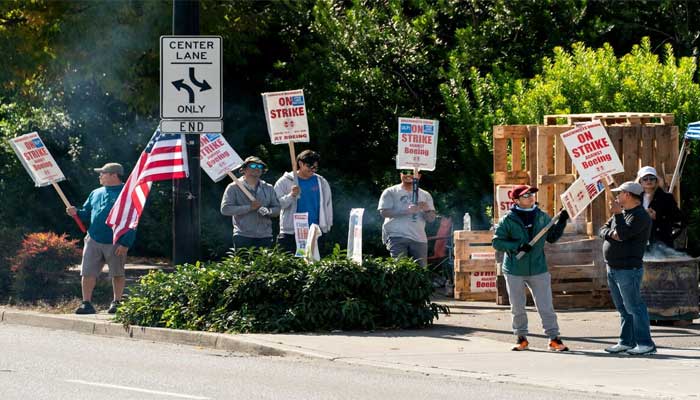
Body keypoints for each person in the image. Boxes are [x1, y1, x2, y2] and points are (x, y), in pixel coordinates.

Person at [492, 185, 570, 352]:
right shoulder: (508, 219)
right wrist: (517, 246)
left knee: (546, 306)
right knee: (517, 306)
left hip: (538, 268)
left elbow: (552, 237)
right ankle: (521, 338)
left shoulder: (542, 217)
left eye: (531, 194)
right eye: (525, 195)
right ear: (516, 200)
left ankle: (554, 338)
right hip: (514, 269)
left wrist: (562, 221)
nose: (530, 197)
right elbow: (497, 242)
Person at [66, 163, 135, 315]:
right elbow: (85, 213)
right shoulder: (95, 192)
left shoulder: (128, 193)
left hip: (116, 241)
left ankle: (117, 302)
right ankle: (86, 303)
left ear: (113, 175)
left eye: (102, 173)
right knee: (87, 272)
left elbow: (132, 220)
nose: (99, 176)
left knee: (117, 273)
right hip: (93, 239)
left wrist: (125, 243)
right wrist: (75, 212)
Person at [599, 181, 656, 355]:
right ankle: (626, 341)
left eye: (620, 193)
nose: (616, 196)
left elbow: (622, 235)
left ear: (629, 195)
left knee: (635, 307)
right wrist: (611, 233)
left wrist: (616, 216)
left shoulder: (640, 216)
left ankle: (646, 344)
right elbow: (603, 230)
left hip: (628, 269)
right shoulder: (622, 213)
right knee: (623, 308)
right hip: (614, 267)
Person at [274, 150, 333, 254]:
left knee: (314, 266)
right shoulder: (284, 181)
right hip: (291, 232)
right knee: (290, 265)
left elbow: (327, 204)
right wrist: (291, 195)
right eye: (310, 166)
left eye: (315, 167)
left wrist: (326, 225)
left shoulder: (321, 182)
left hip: (315, 231)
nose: (312, 170)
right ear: (300, 164)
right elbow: (276, 205)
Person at [377, 169, 436, 267]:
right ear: (401, 174)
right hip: (396, 235)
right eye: (405, 172)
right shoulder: (390, 191)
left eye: (412, 173)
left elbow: (431, 219)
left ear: (419, 176)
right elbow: (384, 212)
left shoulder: (425, 195)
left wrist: (427, 210)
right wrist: (406, 211)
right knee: (400, 268)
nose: (408, 175)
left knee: (421, 271)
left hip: (419, 237)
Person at [220, 156, 280, 251]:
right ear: (243, 169)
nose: (256, 168)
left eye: (260, 166)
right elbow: (225, 209)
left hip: (265, 236)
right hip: (242, 236)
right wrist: (249, 207)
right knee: (243, 266)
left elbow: (277, 209)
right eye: (252, 165)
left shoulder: (268, 188)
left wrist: (268, 211)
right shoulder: (233, 187)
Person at [636, 166, 684, 248]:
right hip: (640, 243)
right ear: (640, 181)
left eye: (652, 178)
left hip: (661, 244)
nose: (649, 181)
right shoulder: (635, 198)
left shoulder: (666, 198)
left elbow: (679, 219)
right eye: (645, 178)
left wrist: (657, 217)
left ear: (656, 180)